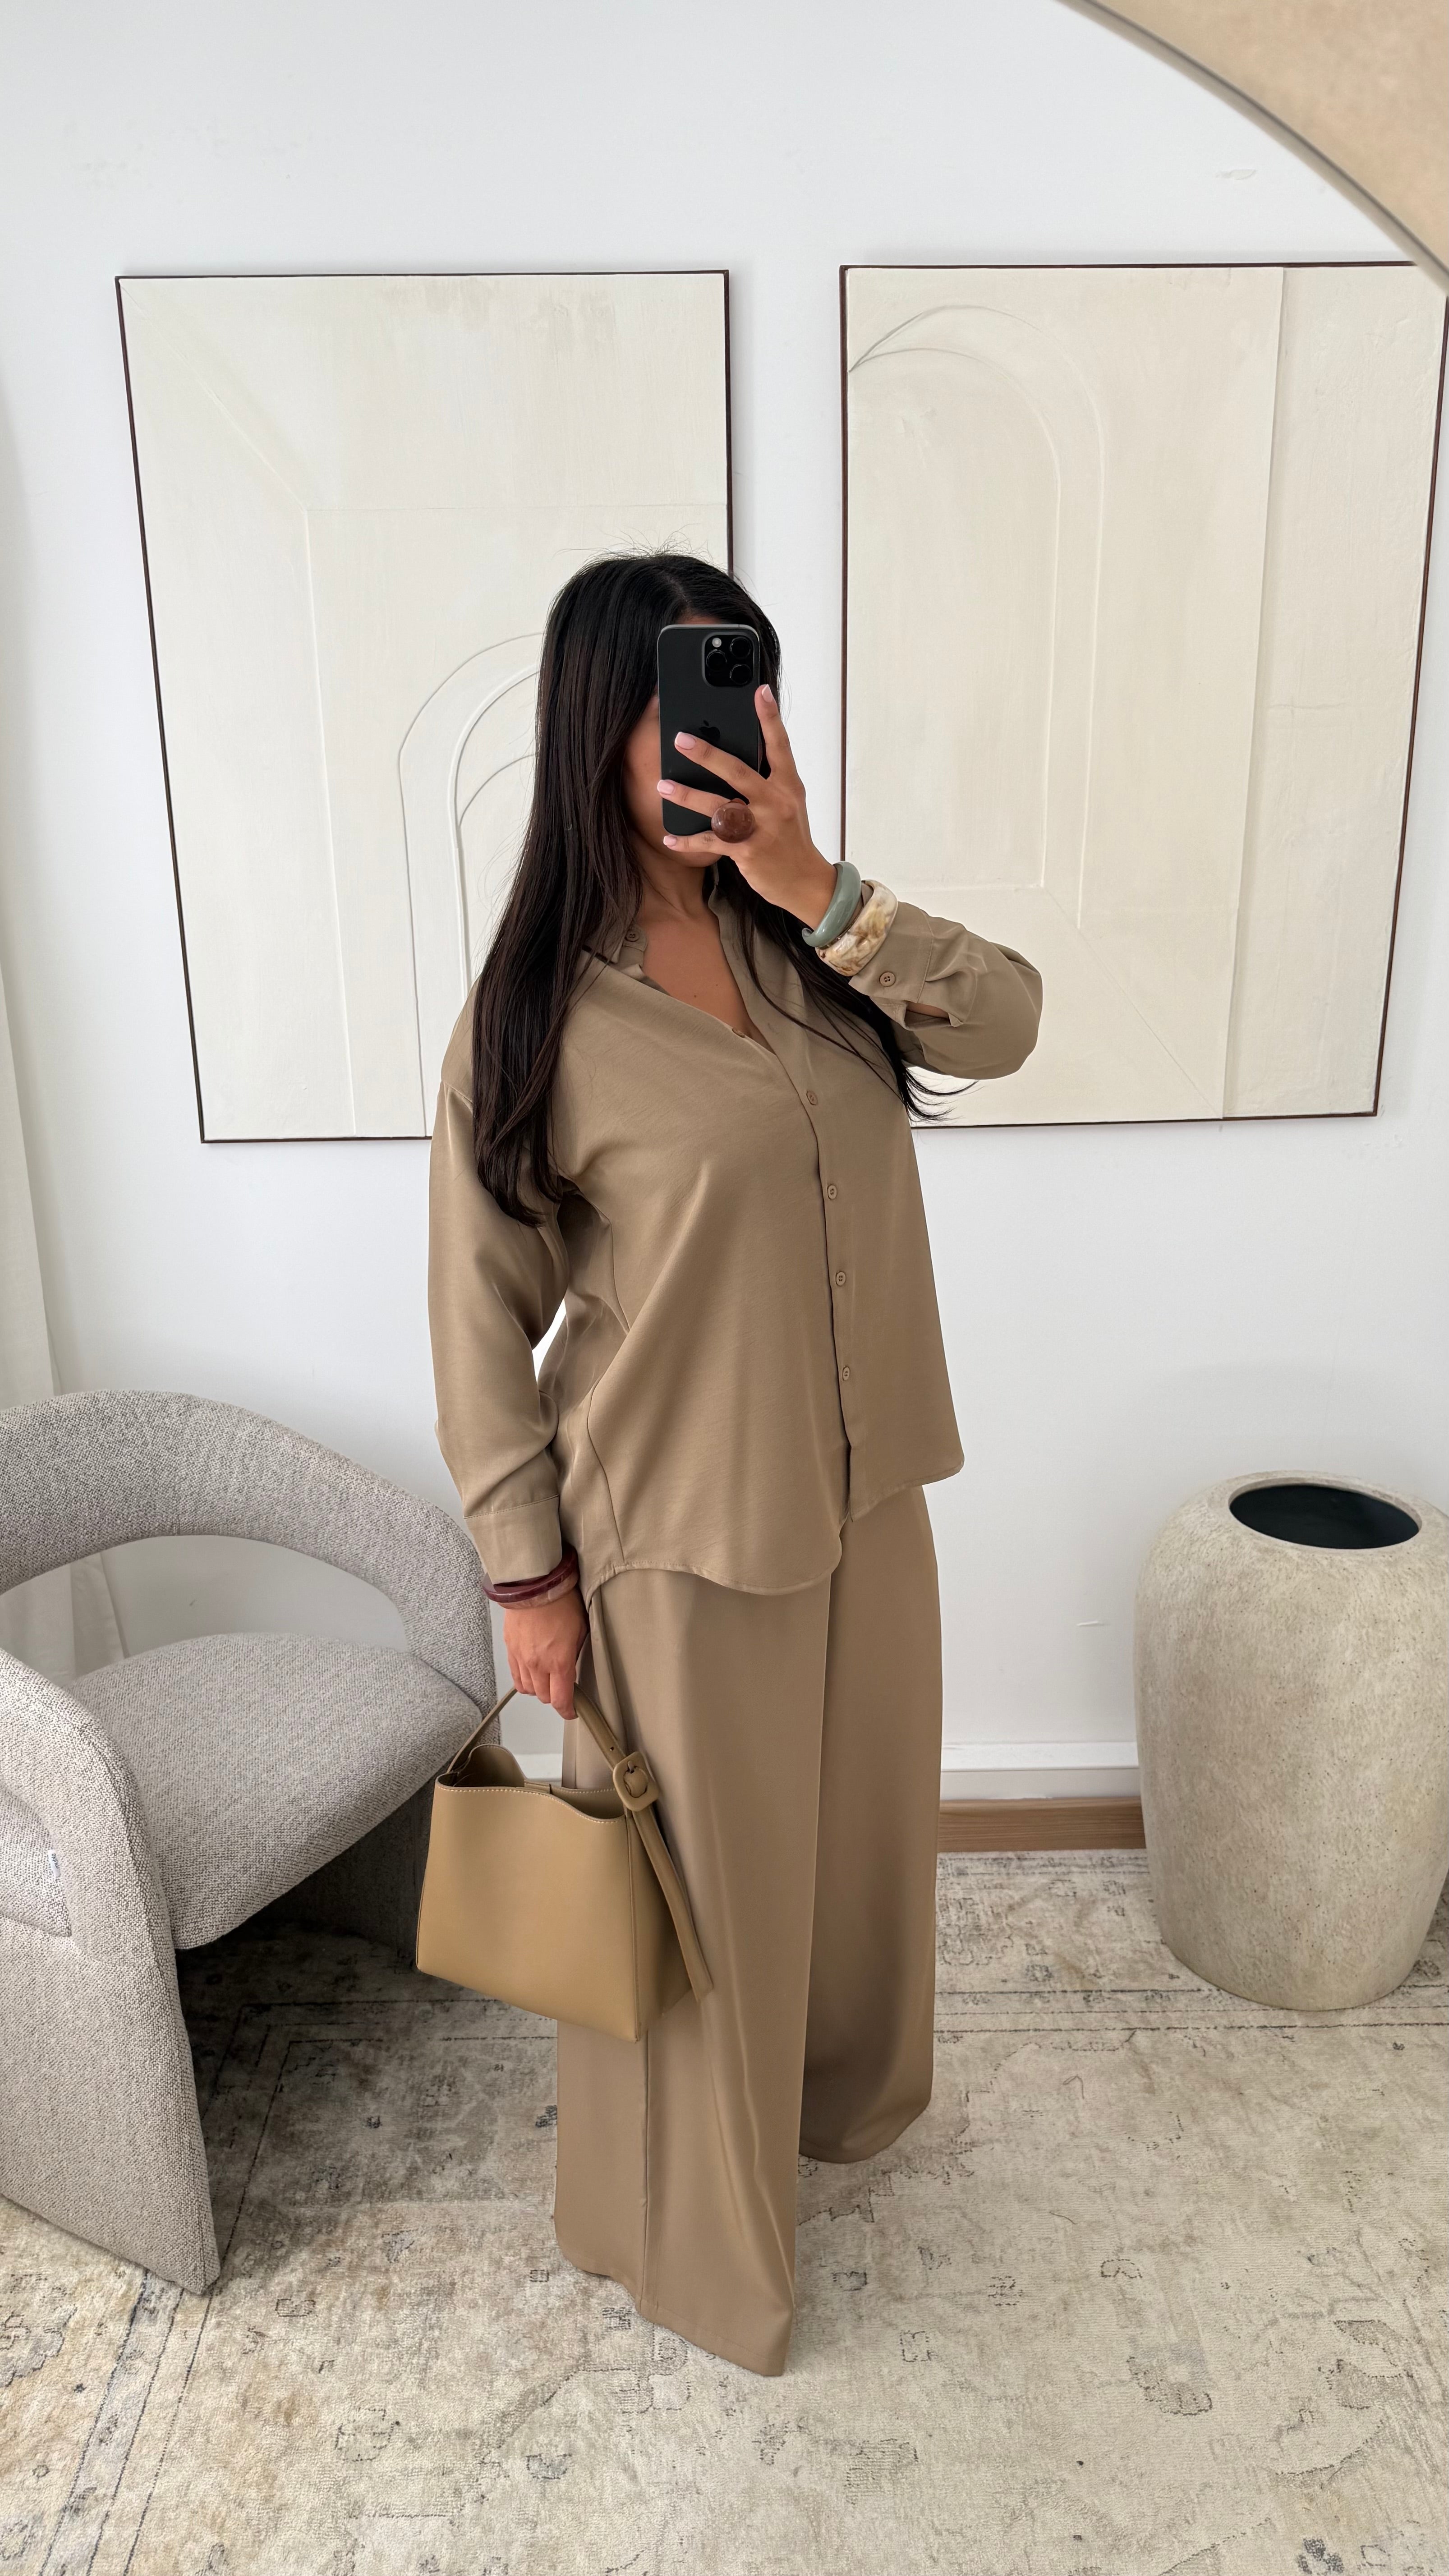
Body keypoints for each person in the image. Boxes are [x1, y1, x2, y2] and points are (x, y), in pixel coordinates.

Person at [427, 550, 1042, 2376]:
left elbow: (1008, 1021)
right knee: (697, 1911)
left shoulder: (809, 944)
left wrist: (818, 882)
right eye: (683, 700)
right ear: (596, 728)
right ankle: (686, 2241)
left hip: (866, 1491)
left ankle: (829, 2115)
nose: (726, 733)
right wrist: (528, 1576)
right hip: (678, 1530)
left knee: (850, 1857)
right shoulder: (536, 1017)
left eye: (746, 689)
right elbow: (476, 1314)